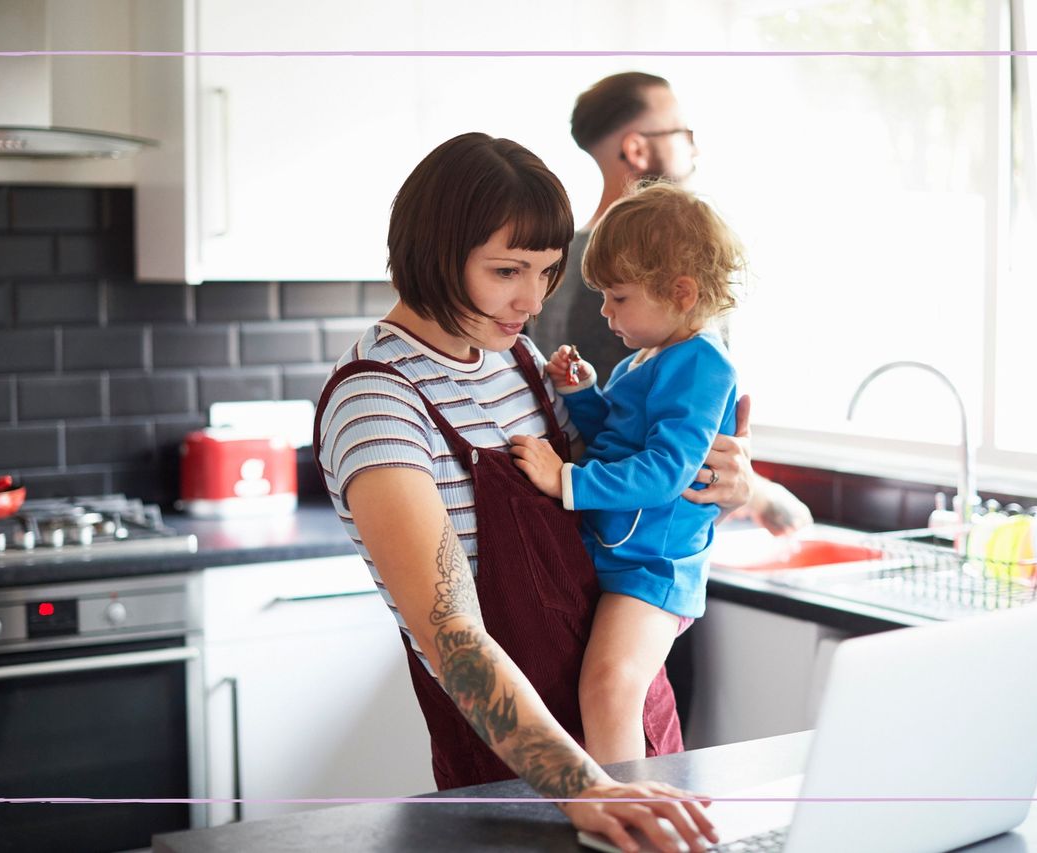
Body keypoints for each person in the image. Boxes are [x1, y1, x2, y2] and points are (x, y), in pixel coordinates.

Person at [314, 132, 758, 853]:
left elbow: (619, 485)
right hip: (525, 787)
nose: (532, 299)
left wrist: (726, 482)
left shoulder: (511, 355)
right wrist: (590, 788)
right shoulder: (378, 404)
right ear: (433, 254)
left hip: (634, 737)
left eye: (548, 271)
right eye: (506, 270)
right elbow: (453, 640)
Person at [510, 181, 742, 765]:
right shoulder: (651, 356)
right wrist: (583, 393)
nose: (606, 313)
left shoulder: (702, 363)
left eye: (617, 298)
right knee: (604, 689)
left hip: (651, 569)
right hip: (623, 556)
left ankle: (621, 813)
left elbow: (667, 470)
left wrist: (566, 480)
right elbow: (618, 436)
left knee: (611, 686)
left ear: (681, 292)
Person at [529, 71, 811, 535]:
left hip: (593, 526)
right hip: (636, 534)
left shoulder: (555, 263)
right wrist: (754, 493)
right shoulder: (643, 284)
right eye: (683, 133)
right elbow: (642, 440)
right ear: (638, 148)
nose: (695, 149)